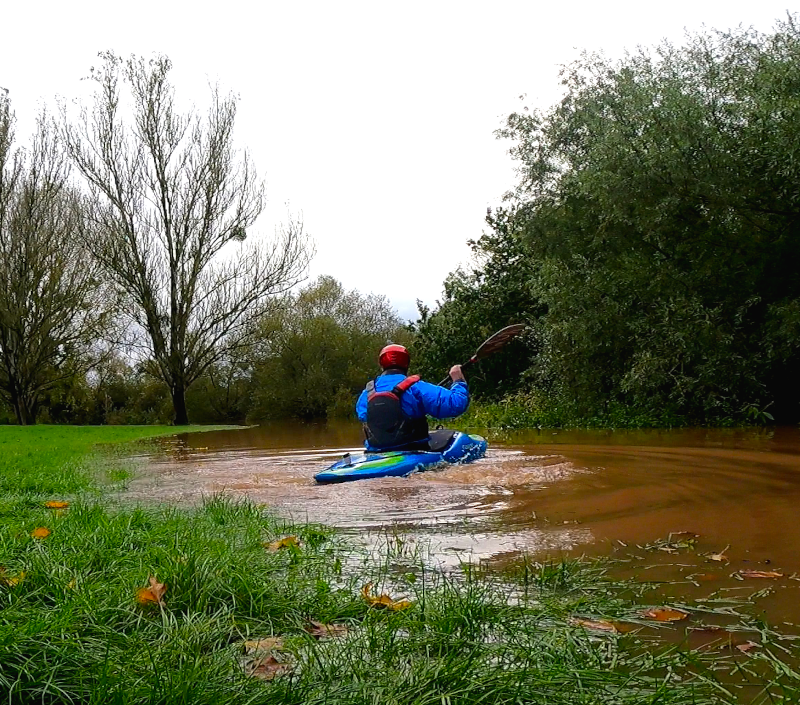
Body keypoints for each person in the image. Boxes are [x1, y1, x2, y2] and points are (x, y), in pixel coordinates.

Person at [356, 344, 469, 451]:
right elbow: (456, 404)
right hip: (413, 449)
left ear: (382, 365)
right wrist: (458, 380)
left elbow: (364, 416)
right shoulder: (416, 387)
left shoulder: (367, 393)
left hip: (376, 452)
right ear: (406, 364)